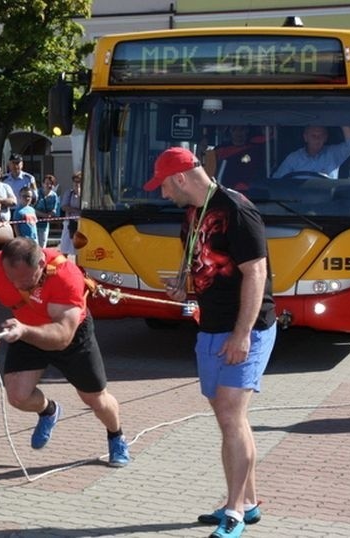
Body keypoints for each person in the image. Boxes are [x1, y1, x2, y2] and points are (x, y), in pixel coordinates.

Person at [144, 147, 276, 538]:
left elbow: (256, 274)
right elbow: (194, 262)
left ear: (181, 178)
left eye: (164, 186)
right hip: (210, 327)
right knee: (227, 417)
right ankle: (248, 503)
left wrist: (242, 334)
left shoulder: (237, 210)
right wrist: (181, 285)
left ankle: (234, 511)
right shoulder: (192, 213)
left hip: (244, 328)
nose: (163, 194)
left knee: (232, 416)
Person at [0, 237, 131, 467]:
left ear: (41, 264)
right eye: (13, 280)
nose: (19, 286)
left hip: (70, 336)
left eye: (26, 282)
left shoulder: (66, 274)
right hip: (25, 330)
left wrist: (24, 330)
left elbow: (62, 336)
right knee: (17, 396)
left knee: (95, 399)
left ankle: (116, 436)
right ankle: (49, 411)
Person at [273, 125, 350, 178]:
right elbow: (276, 182)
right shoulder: (293, 158)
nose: (317, 139)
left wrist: (342, 122)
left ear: (325, 138)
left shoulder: (333, 154)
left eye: (320, 135)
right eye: (313, 135)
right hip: (297, 204)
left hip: (327, 204)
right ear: (305, 137)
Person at [34, 174, 60, 247]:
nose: (49, 186)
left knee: (42, 246)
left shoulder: (54, 196)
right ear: (43, 184)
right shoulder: (37, 194)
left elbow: (54, 210)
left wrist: (50, 215)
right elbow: (32, 209)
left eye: (51, 184)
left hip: (44, 225)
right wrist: (45, 215)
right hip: (34, 224)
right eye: (47, 183)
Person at [59, 171, 82, 255]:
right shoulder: (69, 193)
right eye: (75, 181)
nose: (77, 183)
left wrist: (79, 195)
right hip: (69, 223)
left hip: (81, 224)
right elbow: (64, 206)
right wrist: (76, 210)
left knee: (79, 250)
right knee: (65, 249)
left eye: (79, 181)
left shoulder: (86, 194)